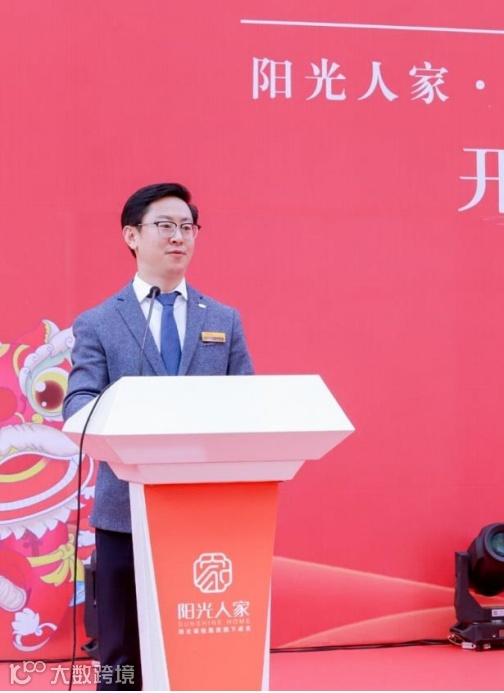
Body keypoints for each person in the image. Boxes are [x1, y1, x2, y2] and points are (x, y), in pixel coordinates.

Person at [63, 182, 254, 690]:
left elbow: (249, 405)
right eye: (165, 226)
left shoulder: (224, 320)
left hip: (207, 511)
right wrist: (134, 410)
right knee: (123, 654)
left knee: (203, 643)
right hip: (126, 511)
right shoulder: (100, 322)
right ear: (132, 235)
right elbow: (78, 405)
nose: (178, 237)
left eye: (187, 227)